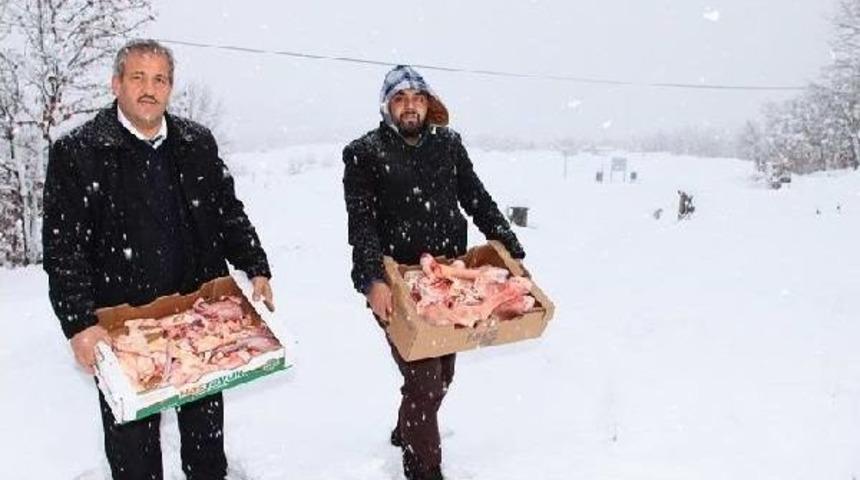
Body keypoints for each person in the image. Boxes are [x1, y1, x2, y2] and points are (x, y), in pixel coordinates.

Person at [42, 39, 274, 480]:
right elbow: (62, 247)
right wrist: (78, 323)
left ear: (170, 87)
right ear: (116, 84)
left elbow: (227, 212)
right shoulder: (80, 152)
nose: (149, 89)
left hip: (197, 321)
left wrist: (256, 267)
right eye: (138, 78)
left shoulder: (195, 142)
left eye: (160, 79)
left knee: (206, 447)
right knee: (134, 453)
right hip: (122, 328)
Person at [342, 65, 525, 480]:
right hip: (397, 282)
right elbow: (362, 224)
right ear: (387, 105)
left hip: (447, 281)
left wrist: (510, 249)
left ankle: (408, 424)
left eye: (418, 98)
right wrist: (373, 281)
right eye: (401, 98)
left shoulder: (448, 145)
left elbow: (476, 198)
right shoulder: (364, 152)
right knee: (425, 379)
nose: (411, 106)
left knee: (442, 375)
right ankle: (423, 470)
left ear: (428, 104)